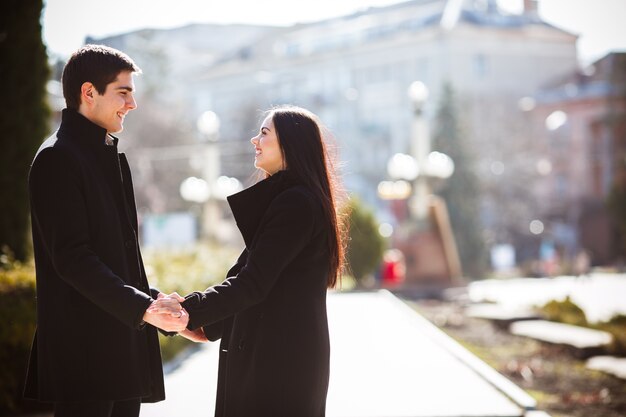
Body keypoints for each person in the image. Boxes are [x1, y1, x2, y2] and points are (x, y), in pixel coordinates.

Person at [151, 105, 347, 417]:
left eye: (265, 133)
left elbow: (252, 282)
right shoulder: (293, 201)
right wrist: (197, 322)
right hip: (275, 358)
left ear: (291, 144)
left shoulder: (296, 203)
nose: (254, 140)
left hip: (278, 365)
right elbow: (260, 281)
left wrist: (189, 310)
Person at [24, 44, 187, 417]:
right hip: (84, 359)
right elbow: (74, 260)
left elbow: (117, 260)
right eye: (123, 92)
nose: (132, 104)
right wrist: (144, 307)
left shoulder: (106, 156)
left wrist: (156, 300)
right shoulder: (57, 158)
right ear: (88, 92)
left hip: (121, 351)